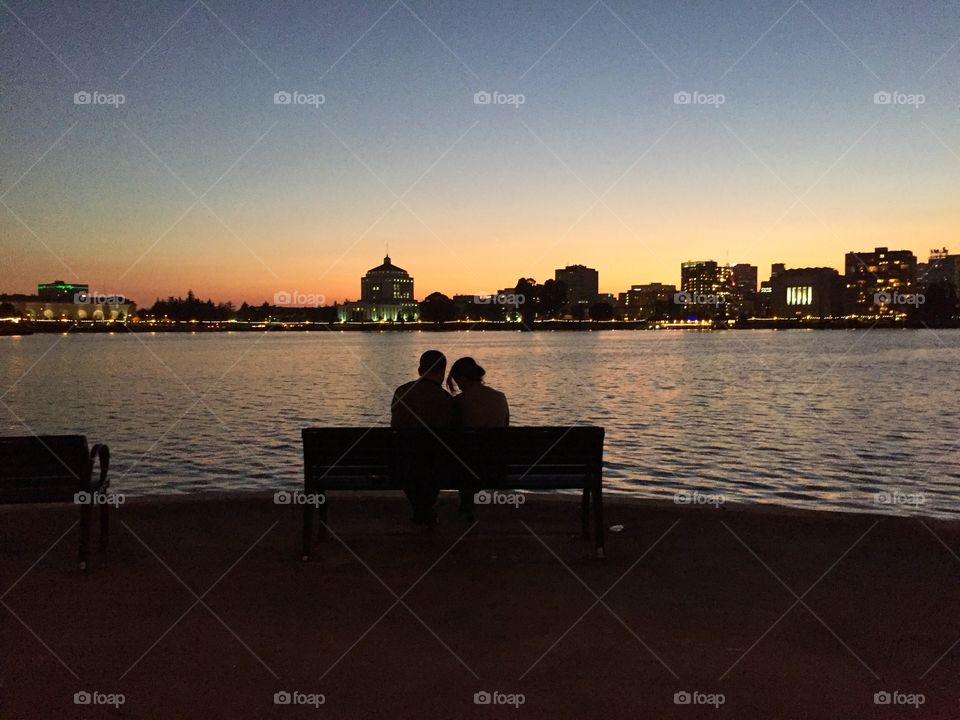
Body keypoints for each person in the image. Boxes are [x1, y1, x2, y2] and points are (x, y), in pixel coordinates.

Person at [391, 350, 454, 525]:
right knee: (432, 458)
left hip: (403, 460)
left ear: (420, 370)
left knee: (414, 458)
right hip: (436, 462)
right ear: (442, 372)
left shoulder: (401, 392)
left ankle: (421, 509)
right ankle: (425, 508)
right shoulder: (446, 399)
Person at [446, 357, 509, 521]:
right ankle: (468, 502)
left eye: (457, 381)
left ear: (464, 379)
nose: (457, 386)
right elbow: (505, 427)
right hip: (496, 465)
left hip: (468, 468)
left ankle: (467, 501)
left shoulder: (458, 402)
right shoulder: (500, 397)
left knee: (465, 453)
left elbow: (452, 434)